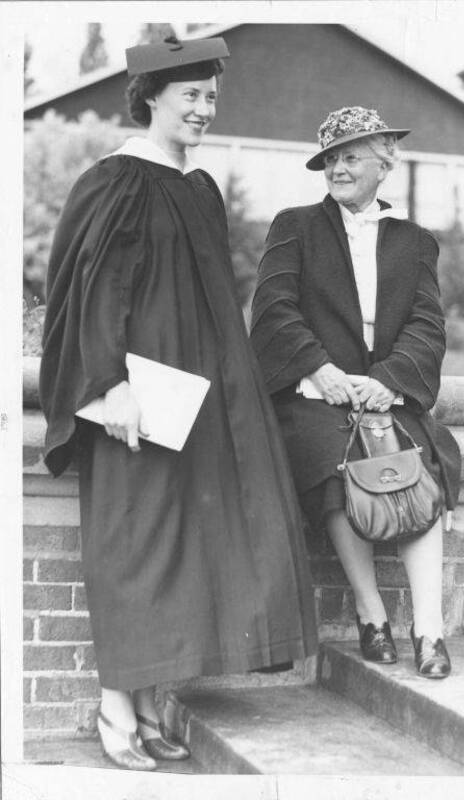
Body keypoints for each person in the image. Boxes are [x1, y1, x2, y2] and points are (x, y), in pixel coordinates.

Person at [39, 36, 317, 771]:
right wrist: (111, 385)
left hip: (197, 397)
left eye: (211, 97)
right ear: (151, 98)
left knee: (182, 550)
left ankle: (153, 700)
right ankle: (114, 704)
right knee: (134, 546)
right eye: (190, 95)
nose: (204, 108)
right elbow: (95, 291)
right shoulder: (117, 179)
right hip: (137, 397)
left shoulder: (197, 187)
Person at [251, 106, 461, 681]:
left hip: (383, 392)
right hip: (316, 395)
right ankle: (372, 617)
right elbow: (273, 310)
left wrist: (388, 380)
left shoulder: (415, 241)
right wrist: (320, 370)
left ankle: (429, 629)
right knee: (330, 463)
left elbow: (427, 323)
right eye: (330, 160)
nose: (338, 169)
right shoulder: (294, 225)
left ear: (383, 163)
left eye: (350, 157)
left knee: (419, 466)